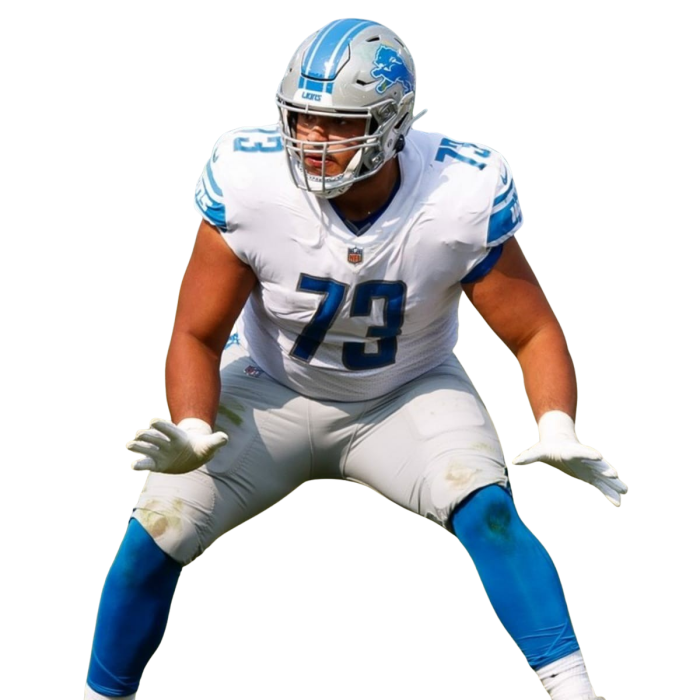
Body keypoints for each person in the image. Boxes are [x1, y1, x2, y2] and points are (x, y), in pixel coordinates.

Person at [84, 17, 627, 700]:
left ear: (396, 123)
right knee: (154, 531)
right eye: (302, 118)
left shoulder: (458, 191)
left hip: (408, 389)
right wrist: (193, 428)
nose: (313, 140)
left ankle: (576, 693)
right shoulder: (249, 178)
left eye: (339, 123)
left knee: (490, 512)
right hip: (268, 382)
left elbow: (533, 332)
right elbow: (196, 333)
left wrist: (557, 424)